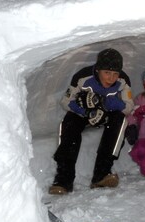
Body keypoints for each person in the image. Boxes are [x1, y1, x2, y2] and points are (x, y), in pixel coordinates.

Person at [49, 48, 134, 194]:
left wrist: (112, 104)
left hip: (107, 114)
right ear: (98, 69)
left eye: (115, 74)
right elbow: (66, 101)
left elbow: (129, 106)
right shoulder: (82, 77)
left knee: (120, 120)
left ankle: (102, 174)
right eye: (107, 73)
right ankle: (63, 180)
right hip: (84, 115)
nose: (111, 78)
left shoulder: (123, 80)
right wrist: (86, 112)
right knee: (69, 122)